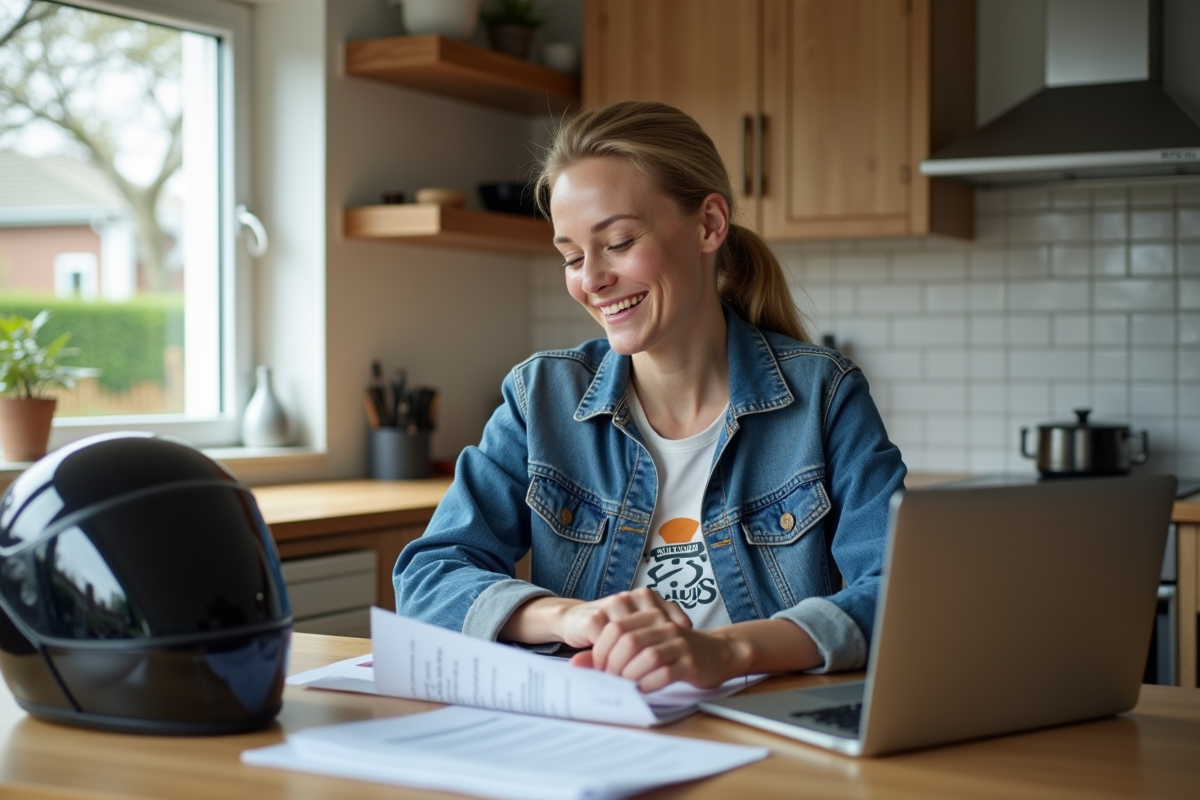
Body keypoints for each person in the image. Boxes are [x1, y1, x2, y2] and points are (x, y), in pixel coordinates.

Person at [394, 101, 906, 692]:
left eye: (618, 241)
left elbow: (898, 589)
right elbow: (429, 577)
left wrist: (724, 651)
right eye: (570, 256)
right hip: (598, 735)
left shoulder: (824, 395)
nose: (591, 279)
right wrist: (572, 616)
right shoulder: (542, 398)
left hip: (770, 732)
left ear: (710, 224)